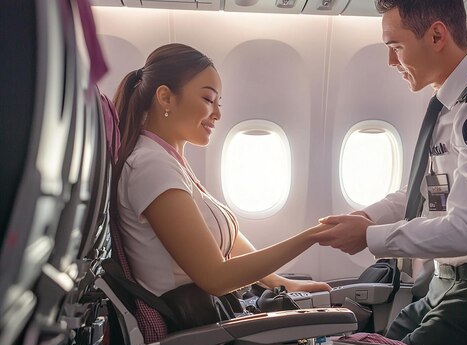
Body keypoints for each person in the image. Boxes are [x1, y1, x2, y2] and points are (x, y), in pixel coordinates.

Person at [315, 0, 467, 345]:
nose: (391, 62)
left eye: (396, 47)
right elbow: (423, 191)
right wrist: (366, 218)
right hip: (448, 287)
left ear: (437, 35)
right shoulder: (452, 106)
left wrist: (369, 237)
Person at [112, 43, 331, 302]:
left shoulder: (168, 160)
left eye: (219, 102)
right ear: (166, 98)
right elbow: (215, 277)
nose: (217, 113)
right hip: (193, 332)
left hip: (208, 316)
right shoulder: (151, 166)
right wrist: (311, 236)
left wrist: (279, 283)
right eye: (208, 99)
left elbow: (228, 238)